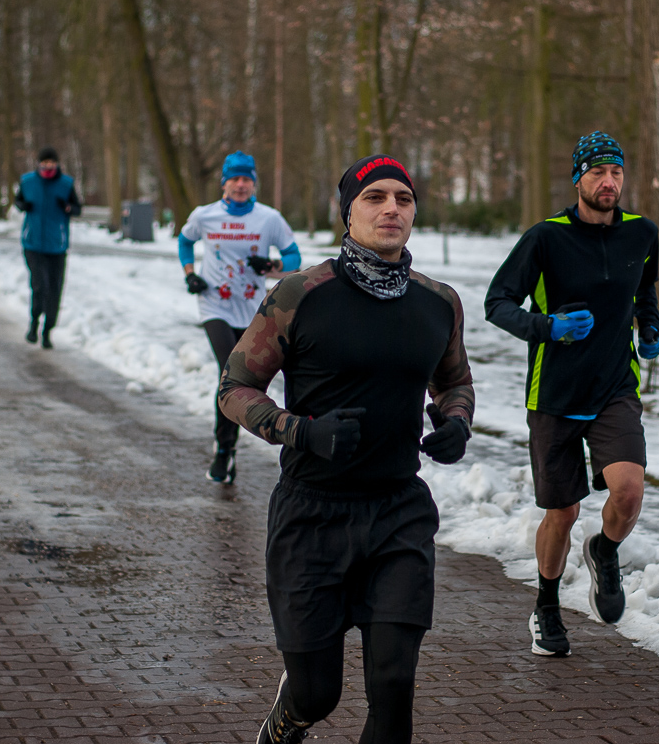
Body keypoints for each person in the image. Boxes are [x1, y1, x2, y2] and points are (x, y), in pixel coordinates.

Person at [219, 153, 474, 744]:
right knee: (318, 693)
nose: (391, 209)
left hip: (398, 511)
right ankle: (288, 716)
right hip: (312, 513)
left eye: (403, 199)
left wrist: (457, 421)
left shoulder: (438, 302)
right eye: (374, 197)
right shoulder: (300, 294)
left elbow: (454, 381)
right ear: (348, 212)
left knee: (394, 685)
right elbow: (234, 388)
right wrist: (299, 430)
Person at [484, 130, 659, 658]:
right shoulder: (546, 238)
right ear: (578, 179)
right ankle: (546, 605)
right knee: (561, 512)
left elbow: (644, 289)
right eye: (597, 172)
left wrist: (651, 327)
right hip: (555, 394)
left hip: (615, 387)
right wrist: (548, 327)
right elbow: (497, 302)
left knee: (629, 492)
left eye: (616, 172)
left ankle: (604, 550)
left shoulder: (642, 233)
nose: (608, 181)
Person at [178, 150, 301, 484]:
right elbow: (184, 242)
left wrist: (273, 266)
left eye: (247, 179)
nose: (241, 185)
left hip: (252, 311)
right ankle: (224, 449)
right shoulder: (204, 215)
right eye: (235, 179)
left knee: (241, 382)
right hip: (214, 305)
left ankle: (228, 447)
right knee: (228, 373)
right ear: (224, 183)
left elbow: (293, 256)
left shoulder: (269, 218)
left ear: (254, 184)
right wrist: (190, 274)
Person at [14, 147, 82, 349]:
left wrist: (68, 207)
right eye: (44, 163)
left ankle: (47, 330)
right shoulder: (28, 181)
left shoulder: (66, 184)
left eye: (51, 162)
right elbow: (18, 200)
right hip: (33, 243)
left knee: (54, 289)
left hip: (57, 246)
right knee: (39, 286)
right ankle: (34, 322)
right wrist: (23, 206)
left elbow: (77, 208)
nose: (47, 166)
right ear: (39, 163)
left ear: (57, 163)